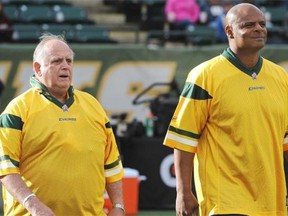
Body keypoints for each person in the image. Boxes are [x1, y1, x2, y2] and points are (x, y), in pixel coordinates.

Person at [164, 3, 288, 216]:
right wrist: (183, 192)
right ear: (229, 31)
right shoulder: (204, 75)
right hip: (224, 201)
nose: (259, 28)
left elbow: (285, 141)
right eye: (249, 24)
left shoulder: (281, 77)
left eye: (262, 24)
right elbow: (183, 140)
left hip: (271, 201)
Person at [0, 33, 125, 216]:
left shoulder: (94, 106)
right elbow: (5, 168)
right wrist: (34, 206)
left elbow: (112, 164)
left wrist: (118, 206)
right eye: (57, 61)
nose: (65, 66)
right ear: (38, 68)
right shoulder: (17, 110)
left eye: (69, 60)